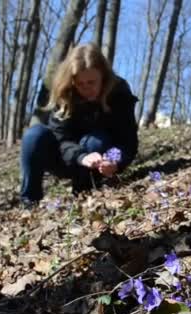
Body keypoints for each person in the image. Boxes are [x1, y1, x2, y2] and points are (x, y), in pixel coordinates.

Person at [20, 44, 138, 206]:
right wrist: (81, 157)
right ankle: (29, 201)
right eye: (80, 84)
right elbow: (60, 138)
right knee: (33, 135)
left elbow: (127, 141)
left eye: (91, 82)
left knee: (96, 140)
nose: (86, 89)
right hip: (67, 157)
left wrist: (113, 159)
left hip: (100, 159)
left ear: (103, 77)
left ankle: (85, 192)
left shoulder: (119, 93)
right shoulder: (64, 92)